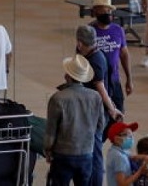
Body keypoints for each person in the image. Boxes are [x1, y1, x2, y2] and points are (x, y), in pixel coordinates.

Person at [44, 54, 105, 186]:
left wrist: (48, 149)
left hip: (62, 154)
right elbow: (101, 125)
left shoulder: (57, 98)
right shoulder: (95, 97)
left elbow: (51, 130)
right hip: (86, 153)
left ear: (68, 76)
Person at [76, 25, 123, 186]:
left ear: (80, 43)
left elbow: (101, 87)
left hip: (97, 112)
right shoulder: (87, 53)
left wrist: (111, 109)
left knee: (95, 152)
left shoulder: (96, 59)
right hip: (88, 108)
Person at [90, 0, 133, 113]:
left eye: (109, 11)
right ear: (95, 12)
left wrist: (129, 79)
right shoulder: (89, 31)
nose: (107, 14)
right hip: (95, 82)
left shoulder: (118, 30)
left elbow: (124, 55)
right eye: (103, 11)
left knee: (118, 113)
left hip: (114, 80)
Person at [106, 121, 148, 186]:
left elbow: (131, 157)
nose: (131, 138)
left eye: (131, 135)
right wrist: (140, 171)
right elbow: (122, 184)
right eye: (128, 135)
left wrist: (144, 157)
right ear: (117, 139)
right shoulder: (119, 157)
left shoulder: (114, 151)